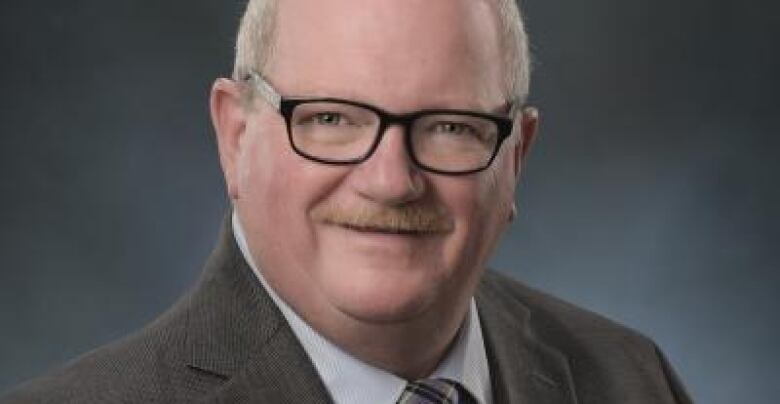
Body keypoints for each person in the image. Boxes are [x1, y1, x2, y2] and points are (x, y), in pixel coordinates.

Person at [1, 0, 692, 403]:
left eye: (450, 127)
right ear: (235, 136)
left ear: (516, 156)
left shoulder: (629, 378)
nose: (390, 180)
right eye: (330, 119)